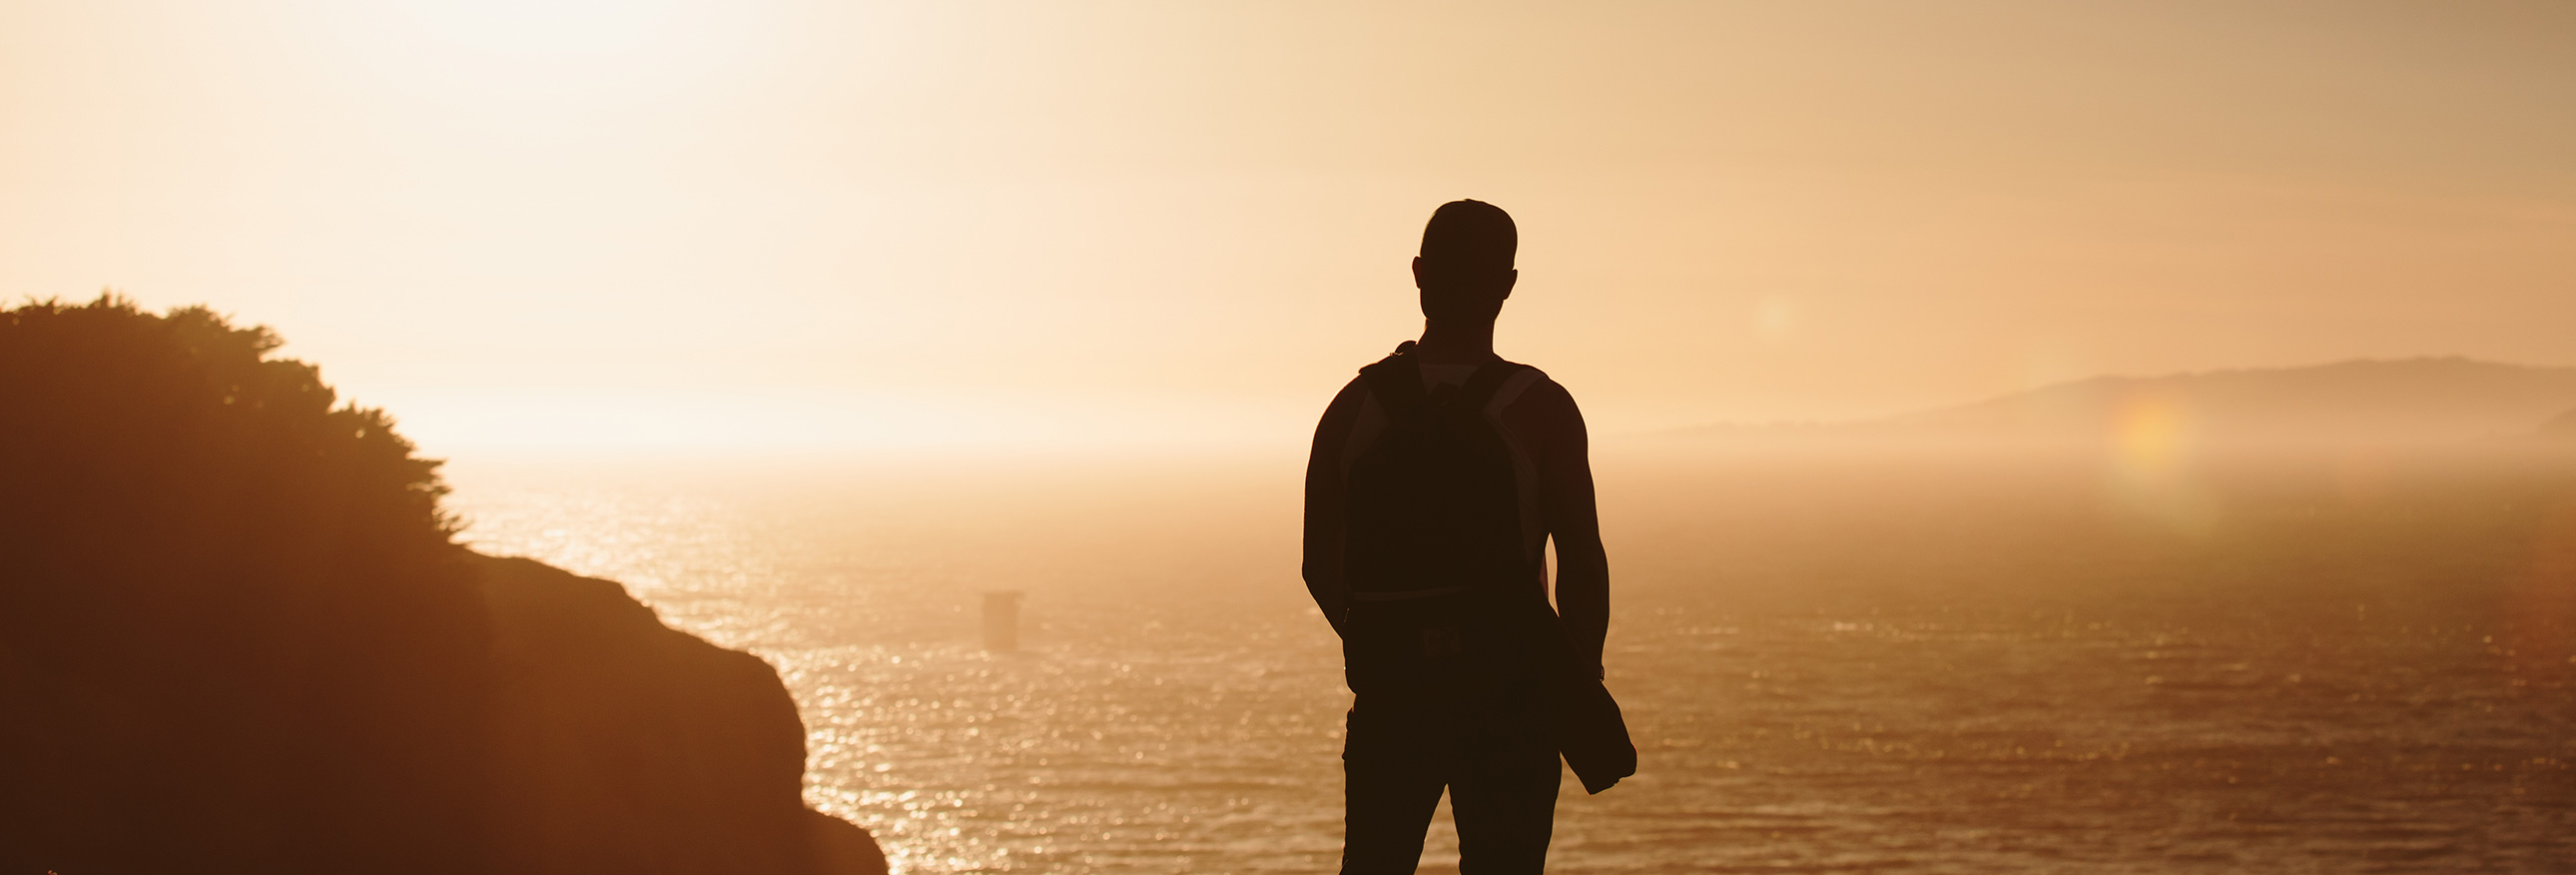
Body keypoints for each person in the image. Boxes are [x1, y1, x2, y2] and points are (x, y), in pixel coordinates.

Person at [1302, 200, 1611, 874]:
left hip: (1392, 701)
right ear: (1506, 283)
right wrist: (1576, 681)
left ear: (1418, 273)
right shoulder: (1541, 408)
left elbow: (1318, 564)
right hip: (1512, 699)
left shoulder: (1353, 408)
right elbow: (1582, 563)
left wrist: (1386, 641)